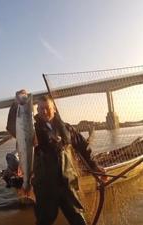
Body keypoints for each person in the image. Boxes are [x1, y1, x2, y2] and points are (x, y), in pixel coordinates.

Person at [32, 95, 106, 225]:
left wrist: (94, 166)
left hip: (68, 185)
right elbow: (13, 128)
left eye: (47, 108)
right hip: (45, 188)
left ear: (54, 109)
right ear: (37, 111)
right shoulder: (32, 132)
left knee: (79, 220)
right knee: (44, 221)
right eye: (41, 108)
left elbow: (84, 147)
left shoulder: (67, 128)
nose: (44, 111)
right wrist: (18, 105)